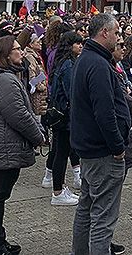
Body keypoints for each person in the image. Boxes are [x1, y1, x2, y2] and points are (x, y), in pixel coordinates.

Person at [0, 35, 46, 255]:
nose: (21, 52)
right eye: (16, 49)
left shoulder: (4, 76)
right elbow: (19, 116)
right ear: (6, 55)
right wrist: (38, 136)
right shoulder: (4, 80)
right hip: (3, 145)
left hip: (2, 144)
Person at [70, 13, 131, 255]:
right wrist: (117, 147)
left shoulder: (88, 58)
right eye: (116, 32)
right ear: (104, 32)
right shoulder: (96, 64)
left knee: (86, 207)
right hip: (102, 152)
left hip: (90, 148)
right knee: (103, 217)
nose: (119, 37)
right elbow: (104, 112)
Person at [47, 31, 84, 205]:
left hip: (61, 114)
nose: (80, 46)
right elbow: (71, 91)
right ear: (69, 46)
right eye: (77, 43)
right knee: (61, 153)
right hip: (64, 115)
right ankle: (58, 192)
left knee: (61, 152)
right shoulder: (68, 64)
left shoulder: (64, 62)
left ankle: (60, 187)